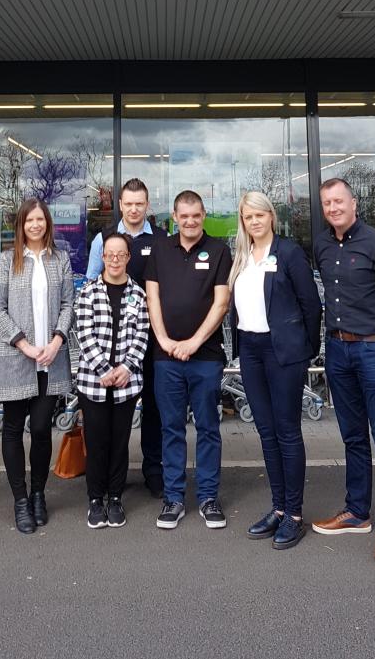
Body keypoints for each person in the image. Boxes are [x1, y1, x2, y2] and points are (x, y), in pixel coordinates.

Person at [310, 177, 375, 567]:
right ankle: (357, 512)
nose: (333, 208)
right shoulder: (321, 245)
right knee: (353, 437)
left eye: (339, 201)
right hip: (337, 349)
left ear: (354, 203)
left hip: (373, 348)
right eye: (326, 203)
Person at [229, 191, 321, 550]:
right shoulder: (241, 256)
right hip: (250, 350)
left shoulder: (288, 253)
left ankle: (295, 515)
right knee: (266, 432)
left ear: (271, 216)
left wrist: (306, 349)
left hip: (283, 352)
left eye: (260, 215)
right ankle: (278, 508)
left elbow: (311, 304)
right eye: (248, 217)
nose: (254, 221)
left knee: (287, 431)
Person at [145, 190, 232, 530]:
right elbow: (153, 298)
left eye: (196, 215)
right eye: (184, 215)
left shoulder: (219, 251)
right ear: (175, 217)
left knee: (209, 427)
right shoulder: (160, 250)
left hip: (206, 358)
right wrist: (165, 340)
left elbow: (221, 303)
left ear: (203, 214)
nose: (191, 221)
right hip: (165, 358)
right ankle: (174, 498)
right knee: (171, 428)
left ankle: (209, 497)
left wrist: (195, 342)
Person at [0, 198, 73, 534]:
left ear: (47, 223)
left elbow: (69, 304)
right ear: (21, 226)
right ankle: (20, 500)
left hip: (50, 360)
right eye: (29, 220)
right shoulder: (7, 260)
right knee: (12, 430)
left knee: (40, 429)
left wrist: (56, 341)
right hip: (17, 358)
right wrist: (22, 343)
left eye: (40, 219)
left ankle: (39, 493)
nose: (35, 225)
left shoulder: (60, 259)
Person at [86, 177, 167, 495]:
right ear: (120, 205)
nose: (134, 209)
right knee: (108, 415)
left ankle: (153, 470)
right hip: (109, 343)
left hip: (149, 339)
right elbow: (91, 283)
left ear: (147, 205)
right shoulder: (103, 239)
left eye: (140, 203)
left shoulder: (161, 239)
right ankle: (105, 477)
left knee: (154, 408)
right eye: (128, 203)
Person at [76, 232, 150, 529]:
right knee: (96, 443)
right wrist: (104, 369)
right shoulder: (89, 291)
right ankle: (96, 499)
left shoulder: (139, 294)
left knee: (120, 443)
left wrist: (127, 367)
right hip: (94, 382)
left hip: (127, 384)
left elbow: (143, 332)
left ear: (128, 258)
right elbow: (83, 333)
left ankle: (116, 497)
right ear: (102, 257)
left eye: (121, 254)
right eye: (110, 254)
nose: (115, 259)